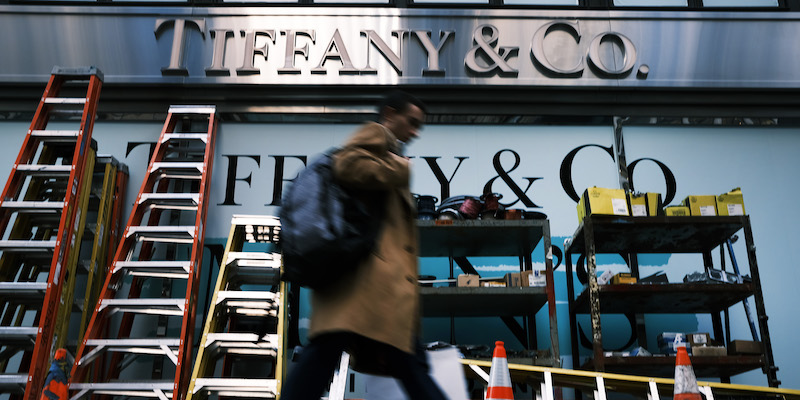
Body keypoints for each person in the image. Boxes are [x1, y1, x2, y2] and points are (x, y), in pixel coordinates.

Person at [280, 90, 446, 400]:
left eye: (418, 125)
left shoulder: (388, 150)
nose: (414, 131)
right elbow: (348, 164)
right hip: (364, 291)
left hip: (370, 294)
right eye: (410, 122)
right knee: (329, 357)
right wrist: (402, 169)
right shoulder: (377, 134)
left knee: (401, 364)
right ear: (389, 115)